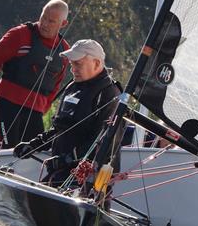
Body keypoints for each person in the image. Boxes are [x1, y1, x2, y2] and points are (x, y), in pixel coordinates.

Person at [13, 39, 121, 187]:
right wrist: (34, 145)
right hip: (61, 171)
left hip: (89, 178)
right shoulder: (73, 87)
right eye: (71, 64)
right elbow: (60, 128)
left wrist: (67, 159)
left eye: (78, 64)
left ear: (96, 63)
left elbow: (101, 141)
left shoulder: (110, 94)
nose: (72, 69)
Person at [0, 0, 70, 147]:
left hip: (35, 111)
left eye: (51, 21)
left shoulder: (64, 51)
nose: (45, 24)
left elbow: (55, 85)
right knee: (7, 149)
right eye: (43, 17)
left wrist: (43, 108)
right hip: (7, 103)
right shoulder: (19, 35)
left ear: (63, 24)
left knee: (33, 152)